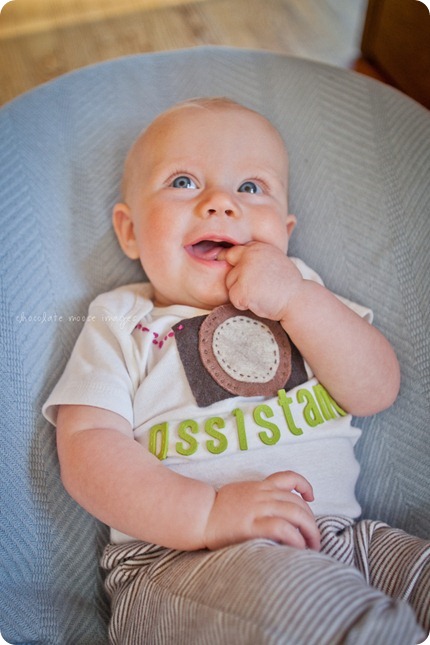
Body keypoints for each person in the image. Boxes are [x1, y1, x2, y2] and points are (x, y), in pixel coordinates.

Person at [43, 98, 429, 644]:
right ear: (129, 232)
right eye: (183, 181)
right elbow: (86, 452)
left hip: (344, 538)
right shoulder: (123, 319)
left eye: (251, 188)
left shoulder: (305, 294)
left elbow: (375, 389)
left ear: (286, 232)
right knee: (329, 618)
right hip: (180, 564)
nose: (221, 202)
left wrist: (296, 298)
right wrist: (207, 513)